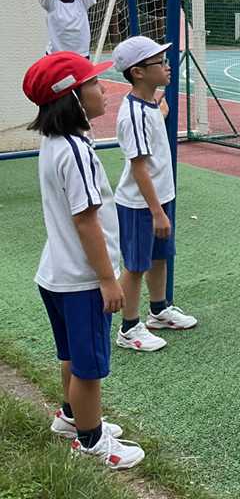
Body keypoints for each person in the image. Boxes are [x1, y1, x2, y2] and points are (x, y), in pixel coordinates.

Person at [22, 51, 146, 469]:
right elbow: (87, 221)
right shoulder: (75, 151)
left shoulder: (55, 143)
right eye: (93, 83)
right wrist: (108, 280)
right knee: (89, 367)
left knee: (72, 357)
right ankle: (91, 441)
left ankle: (71, 417)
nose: (105, 89)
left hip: (55, 274)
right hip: (81, 280)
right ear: (72, 98)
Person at [112, 37, 196, 353]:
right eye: (160, 63)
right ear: (138, 72)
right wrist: (157, 212)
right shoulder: (133, 114)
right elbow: (138, 168)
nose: (167, 66)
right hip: (141, 205)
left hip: (161, 197)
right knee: (136, 264)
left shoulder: (147, 107)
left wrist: (159, 114)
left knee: (160, 256)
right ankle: (129, 327)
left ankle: (159, 311)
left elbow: (149, 134)